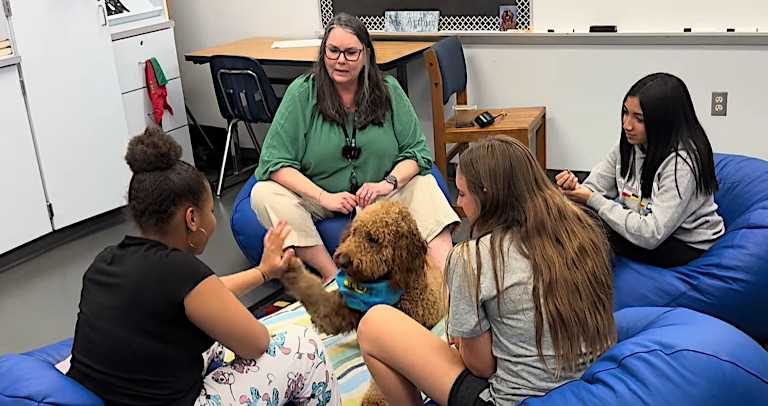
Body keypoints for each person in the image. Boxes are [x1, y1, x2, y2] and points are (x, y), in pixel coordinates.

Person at [67, 128, 341, 406]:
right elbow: (256, 343)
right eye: (210, 211)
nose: (213, 220)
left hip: (107, 397)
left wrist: (263, 272)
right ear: (191, 219)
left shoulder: (106, 260)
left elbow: (202, 296)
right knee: (304, 347)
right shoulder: (181, 271)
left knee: (218, 337)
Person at [356, 136, 617, 406]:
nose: (459, 203)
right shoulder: (585, 230)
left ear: (487, 195)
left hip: (510, 399)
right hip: (586, 380)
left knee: (374, 324)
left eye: (463, 193)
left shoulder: (473, 258)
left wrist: (462, 339)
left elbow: (481, 367)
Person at [251, 13, 459, 282]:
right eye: (333, 51)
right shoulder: (302, 94)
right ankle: (331, 275)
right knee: (262, 193)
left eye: (350, 53)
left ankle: (448, 279)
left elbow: (417, 154)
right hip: (320, 197)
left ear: (366, 55)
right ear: (324, 52)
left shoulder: (389, 90)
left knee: (426, 184)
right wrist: (324, 197)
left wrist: (387, 183)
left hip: (380, 196)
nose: (340, 60)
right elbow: (273, 163)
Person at [556, 72, 725, 268]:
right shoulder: (628, 145)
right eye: (625, 112)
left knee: (590, 233)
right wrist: (573, 188)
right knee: (574, 219)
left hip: (684, 243)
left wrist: (592, 199)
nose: (627, 125)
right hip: (646, 224)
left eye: (639, 119)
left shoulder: (683, 163)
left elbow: (652, 234)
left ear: (663, 121)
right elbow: (594, 188)